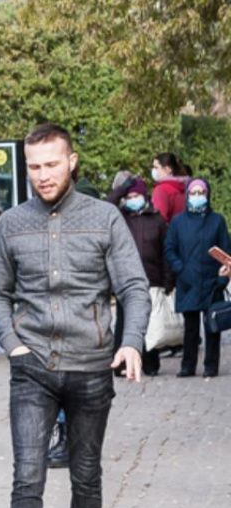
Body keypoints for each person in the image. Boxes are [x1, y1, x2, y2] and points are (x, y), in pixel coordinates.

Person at [0, 124, 150, 508]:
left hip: (91, 368)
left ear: (71, 162)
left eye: (51, 164)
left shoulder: (104, 219)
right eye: (34, 167)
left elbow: (134, 287)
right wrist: (11, 344)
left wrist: (131, 343)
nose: (42, 175)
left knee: (86, 476)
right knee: (26, 478)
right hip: (31, 368)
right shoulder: (12, 224)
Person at [164, 178, 231, 378]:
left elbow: (226, 251)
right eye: (193, 192)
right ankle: (188, 365)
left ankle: (211, 366)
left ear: (207, 194)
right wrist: (180, 269)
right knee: (190, 328)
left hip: (212, 282)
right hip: (188, 282)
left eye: (201, 192)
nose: (197, 196)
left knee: (213, 327)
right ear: (187, 195)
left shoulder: (217, 221)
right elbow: (170, 249)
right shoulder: (178, 222)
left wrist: (223, 277)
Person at [107, 176, 172, 376]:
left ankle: (150, 364)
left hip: (152, 279)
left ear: (145, 197)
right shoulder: (120, 217)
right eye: (130, 196)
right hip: (124, 279)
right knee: (124, 322)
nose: (133, 199)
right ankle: (120, 364)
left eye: (136, 195)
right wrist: (121, 190)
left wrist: (168, 280)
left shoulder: (157, 220)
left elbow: (165, 252)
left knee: (150, 323)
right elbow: (106, 206)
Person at [150, 152, 189, 223]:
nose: (153, 170)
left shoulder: (161, 190)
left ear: (168, 169)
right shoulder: (186, 186)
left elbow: (160, 220)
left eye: (156, 167)